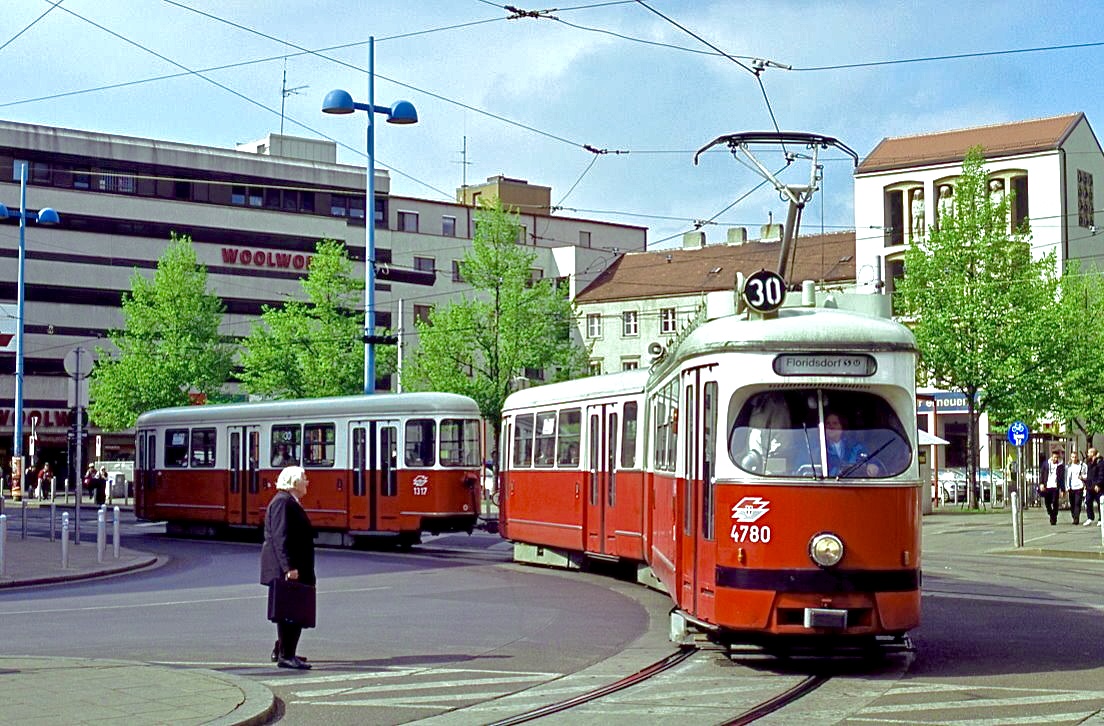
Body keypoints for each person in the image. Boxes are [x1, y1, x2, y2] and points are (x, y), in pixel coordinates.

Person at [260, 465, 315, 670]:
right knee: (291, 612)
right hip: (289, 568)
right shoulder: (283, 503)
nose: (307, 482)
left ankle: (284, 649)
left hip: (294, 566)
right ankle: (286, 655)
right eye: (304, 478)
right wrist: (289, 567)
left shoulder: (289, 501)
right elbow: (280, 538)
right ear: (293, 482)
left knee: (291, 610)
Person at [823, 412, 879, 477]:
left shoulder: (855, 446)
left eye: (835, 423)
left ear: (842, 426)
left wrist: (872, 464)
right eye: (828, 423)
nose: (831, 427)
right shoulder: (820, 449)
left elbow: (870, 458)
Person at [1039, 450, 1065, 526]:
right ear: (1051, 456)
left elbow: (1062, 478)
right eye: (1054, 457)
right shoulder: (1046, 464)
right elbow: (1042, 474)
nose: (1055, 459)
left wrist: (1063, 489)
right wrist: (1041, 483)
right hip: (1047, 486)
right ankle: (1051, 514)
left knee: (1055, 502)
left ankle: (1054, 516)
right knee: (1047, 502)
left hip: (1055, 486)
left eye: (1057, 457)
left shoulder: (1060, 466)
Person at [1066, 451, 1087, 525]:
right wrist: (1067, 486)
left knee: (1077, 503)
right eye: (1072, 457)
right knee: (1072, 504)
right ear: (1070, 458)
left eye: (1075, 457)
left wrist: (1082, 477)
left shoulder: (1083, 465)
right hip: (1071, 487)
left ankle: (1076, 518)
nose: (1074, 458)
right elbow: (1068, 477)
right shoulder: (1069, 466)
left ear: (1077, 457)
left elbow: (1087, 475)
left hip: (1079, 487)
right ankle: (1074, 515)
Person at [1087, 448, 1104, 526]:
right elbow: (1089, 474)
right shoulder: (1090, 462)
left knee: (1100, 503)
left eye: (1089, 452)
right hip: (1090, 486)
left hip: (1098, 487)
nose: (1088, 454)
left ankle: (1101, 519)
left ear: (1093, 453)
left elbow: (1101, 474)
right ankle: (1090, 518)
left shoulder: (1100, 462)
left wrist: (1098, 484)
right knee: (1088, 501)